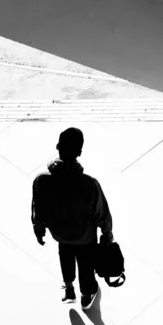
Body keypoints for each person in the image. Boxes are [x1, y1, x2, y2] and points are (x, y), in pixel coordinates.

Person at [31, 127, 114, 311]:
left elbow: (38, 209)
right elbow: (103, 214)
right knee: (86, 265)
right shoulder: (89, 184)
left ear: (57, 147)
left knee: (65, 255)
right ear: (79, 152)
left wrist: (39, 230)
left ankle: (69, 289)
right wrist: (107, 237)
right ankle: (86, 295)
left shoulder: (42, 181)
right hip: (85, 237)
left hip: (60, 233)